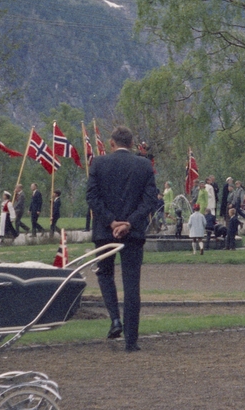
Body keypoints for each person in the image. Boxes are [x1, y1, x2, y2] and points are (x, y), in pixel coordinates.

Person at [86, 126, 159, 352]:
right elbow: (149, 201)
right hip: (133, 232)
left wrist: (111, 221)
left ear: (111, 143)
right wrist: (129, 223)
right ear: (132, 143)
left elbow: (92, 197)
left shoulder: (98, 163)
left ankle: (115, 319)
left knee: (105, 274)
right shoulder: (144, 165)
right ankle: (131, 340)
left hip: (105, 232)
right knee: (131, 285)